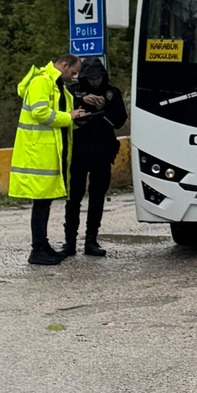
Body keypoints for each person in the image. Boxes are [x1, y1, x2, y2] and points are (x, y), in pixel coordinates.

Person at [10, 51, 86, 266]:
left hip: (50, 154)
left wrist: (76, 118)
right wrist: (68, 117)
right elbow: (40, 112)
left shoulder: (58, 86)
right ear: (63, 64)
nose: (74, 77)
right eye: (72, 72)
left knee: (45, 202)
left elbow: (60, 113)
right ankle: (38, 248)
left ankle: (42, 245)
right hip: (38, 156)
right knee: (41, 203)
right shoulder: (41, 82)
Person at [63, 55, 127, 258]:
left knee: (97, 197)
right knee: (74, 198)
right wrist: (81, 100)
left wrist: (103, 109)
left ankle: (91, 240)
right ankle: (70, 242)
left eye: (98, 78)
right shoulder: (72, 91)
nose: (95, 82)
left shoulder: (112, 93)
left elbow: (119, 120)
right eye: (91, 78)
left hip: (102, 151)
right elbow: (62, 110)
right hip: (79, 153)